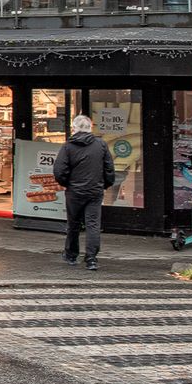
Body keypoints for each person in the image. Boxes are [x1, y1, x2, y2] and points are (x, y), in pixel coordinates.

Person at [53, 113, 116, 270]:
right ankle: (91, 259)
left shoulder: (68, 146)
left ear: (74, 128)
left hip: (74, 191)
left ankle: (71, 255)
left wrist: (67, 183)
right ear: (90, 128)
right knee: (93, 224)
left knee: (73, 224)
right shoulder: (100, 144)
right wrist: (105, 184)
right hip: (95, 191)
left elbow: (59, 170)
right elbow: (109, 168)